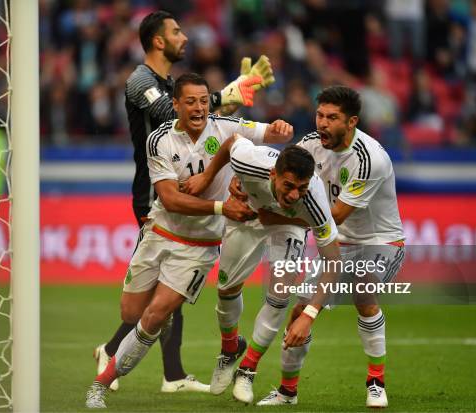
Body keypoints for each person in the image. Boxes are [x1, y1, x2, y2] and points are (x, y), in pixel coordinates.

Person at [85, 73, 294, 408]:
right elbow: (170, 199)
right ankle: (125, 342)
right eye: (191, 102)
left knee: (154, 316)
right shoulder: (160, 140)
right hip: (160, 233)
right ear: (176, 105)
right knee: (131, 312)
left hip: (199, 246)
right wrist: (221, 206)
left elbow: (270, 133)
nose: (198, 108)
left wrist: (281, 129)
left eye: (203, 100)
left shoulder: (225, 126)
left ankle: (100, 384)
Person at [256, 85, 406, 408]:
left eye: (332, 118)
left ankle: (376, 382)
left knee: (364, 291)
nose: (322, 123)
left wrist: (275, 215)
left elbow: (333, 216)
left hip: (381, 242)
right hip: (339, 246)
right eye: (320, 115)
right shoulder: (309, 145)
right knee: (299, 311)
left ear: (351, 122)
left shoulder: (370, 159)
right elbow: (281, 177)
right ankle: (287, 392)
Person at [182, 135, 342, 404]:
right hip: (248, 214)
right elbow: (232, 140)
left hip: (290, 225)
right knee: (226, 290)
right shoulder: (250, 160)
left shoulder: (314, 200)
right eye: (288, 185)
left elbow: (334, 261)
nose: (293, 195)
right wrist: (209, 176)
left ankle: (248, 369)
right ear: (272, 173)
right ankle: (230, 349)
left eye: (300, 189)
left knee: (280, 295)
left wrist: (310, 314)